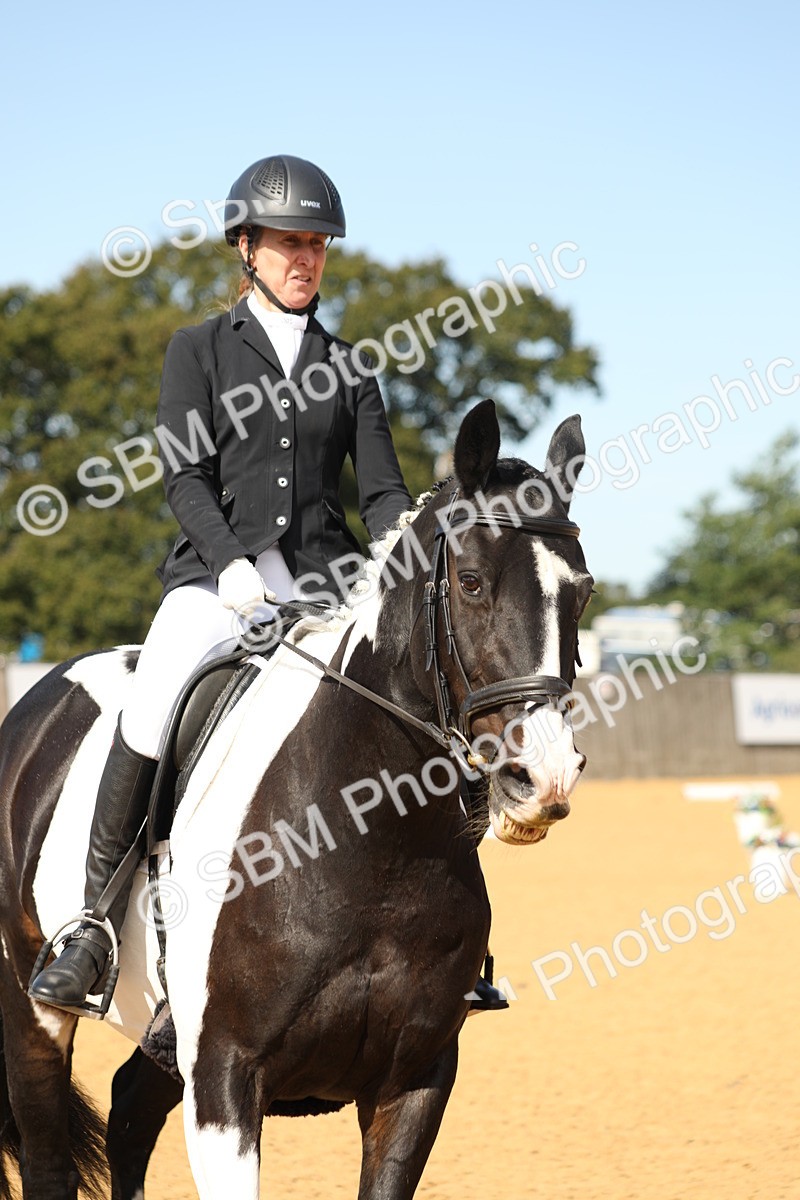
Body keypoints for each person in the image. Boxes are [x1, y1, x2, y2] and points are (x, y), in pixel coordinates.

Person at [29, 154, 507, 1016]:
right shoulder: (200, 350)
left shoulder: (350, 365)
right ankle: (94, 925)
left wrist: (404, 559)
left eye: (317, 245)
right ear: (246, 248)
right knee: (156, 697)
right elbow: (185, 479)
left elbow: (384, 494)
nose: (306, 259)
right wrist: (231, 564)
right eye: (290, 243)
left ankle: (455, 938)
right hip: (218, 581)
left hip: (330, 584)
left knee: (425, 693)